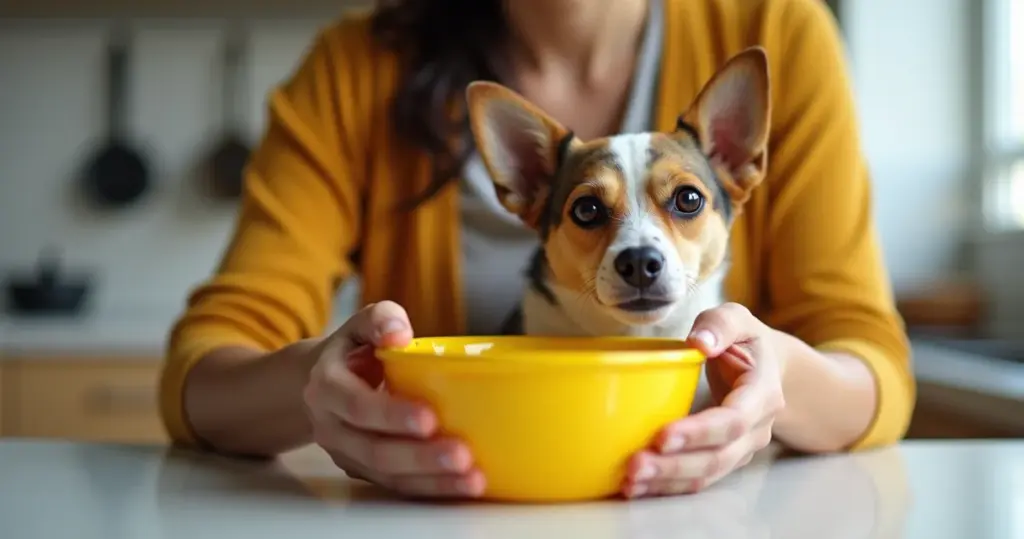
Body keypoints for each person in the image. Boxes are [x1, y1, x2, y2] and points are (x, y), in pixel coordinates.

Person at [159, 0, 914, 499]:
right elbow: (205, 365)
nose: (642, 249)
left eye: (685, 202)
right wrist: (312, 389)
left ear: (737, 162)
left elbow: (869, 354)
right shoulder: (354, 69)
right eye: (590, 213)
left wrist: (779, 383)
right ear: (521, 189)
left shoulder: (776, 24)